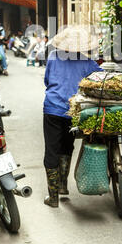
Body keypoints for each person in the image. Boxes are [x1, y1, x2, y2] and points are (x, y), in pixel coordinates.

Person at [43, 25, 102, 208]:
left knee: (52, 149)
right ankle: (62, 186)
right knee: (67, 146)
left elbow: (47, 80)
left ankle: (53, 197)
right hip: (74, 111)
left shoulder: (53, 57)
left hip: (52, 108)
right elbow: (100, 79)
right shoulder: (87, 62)